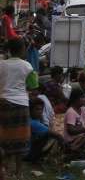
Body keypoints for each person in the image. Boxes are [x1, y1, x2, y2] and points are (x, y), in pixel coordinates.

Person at [0, 38, 38, 178]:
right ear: (22, 49)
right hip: (20, 104)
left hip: (3, 103)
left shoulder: (1, 64)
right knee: (20, 140)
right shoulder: (27, 66)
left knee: (5, 138)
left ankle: (5, 170)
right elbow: (33, 85)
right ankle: (19, 172)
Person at [25, 98, 63, 162]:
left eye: (41, 109)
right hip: (29, 154)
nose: (40, 111)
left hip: (28, 152)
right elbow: (57, 135)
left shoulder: (32, 120)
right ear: (30, 110)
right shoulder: (33, 123)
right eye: (37, 109)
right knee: (54, 138)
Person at [63, 89, 85, 156]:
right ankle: (73, 148)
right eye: (82, 97)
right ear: (75, 99)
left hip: (81, 137)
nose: (84, 99)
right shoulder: (71, 112)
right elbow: (71, 131)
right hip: (73, 140)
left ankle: (77, 149)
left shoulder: (83, 108)